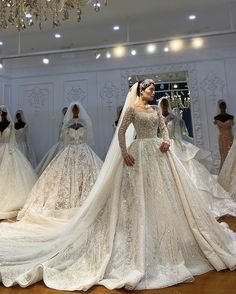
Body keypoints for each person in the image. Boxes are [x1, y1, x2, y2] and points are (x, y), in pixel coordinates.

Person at [0, 82, 236, 291]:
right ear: (140, 91)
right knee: (136, 197)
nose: (153, 91)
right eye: (149, 88)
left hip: (158, 154)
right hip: (138, 153)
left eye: (154, 88)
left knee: (167, 194)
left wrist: (165, 141)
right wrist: (124, 152)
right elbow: (122, 133)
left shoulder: (155, 110)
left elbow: (164, 130)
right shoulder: (131, 110)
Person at [17, 102, 102, 220]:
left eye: (77, 110)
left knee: (87, 175)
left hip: (84, 151)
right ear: (71, 111)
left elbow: (86, 138)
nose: (75, 112)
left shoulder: (84, 124)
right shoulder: (67, 125)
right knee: (66, 176)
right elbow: (65, 140)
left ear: (79, 111)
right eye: (74, 110)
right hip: (70, 151)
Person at [158, 97, 236, 218]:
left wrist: (180, 146)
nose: (164, 106)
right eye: (162, 104)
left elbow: (179, 134)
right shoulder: (157, 119)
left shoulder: (175, 119)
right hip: (163, 145)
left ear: (168, 105)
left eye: (165, 104)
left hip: (174, 144)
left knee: (188, 170)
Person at [0, 106, 37, 219]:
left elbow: (12, 140)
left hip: (9, 150)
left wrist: (11, 151)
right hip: (1, 149)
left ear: (7, 114)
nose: (3, 115)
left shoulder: (11, 125)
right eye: (2, 113)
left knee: (10, 173)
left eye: (4, 113)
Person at [36, 107, 68, 176]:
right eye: (64, 113)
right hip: (60, 143)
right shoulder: (61, 123)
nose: (65, 115)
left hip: (67, 144)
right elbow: (60, 135)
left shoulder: (69, 123)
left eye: (66, 113)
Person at [214, 100, 234, 171]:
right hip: (222, 139)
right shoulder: (216, 117)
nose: (223, 108)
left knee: (231, 155)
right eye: (221, 106)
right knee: (223, 156)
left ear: (225, 107)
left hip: (229, 138)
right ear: (219, 107)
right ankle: (223, 173)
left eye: (224, 106)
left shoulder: (231, 117)